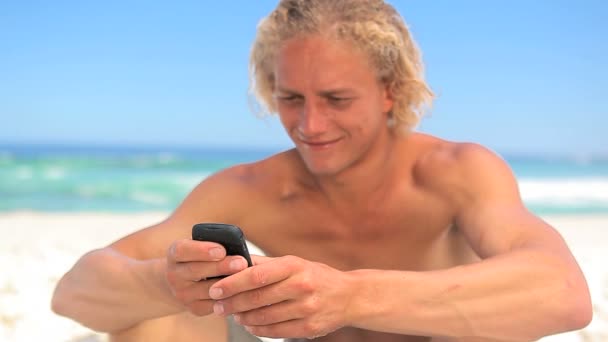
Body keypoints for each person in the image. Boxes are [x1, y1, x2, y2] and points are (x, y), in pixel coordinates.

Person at [51, 1, 592, 341]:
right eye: (290, 98)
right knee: (148, 313)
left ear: (390, 92)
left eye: (336, 98)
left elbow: (564, 294)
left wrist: (348, 296)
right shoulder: (250, 188)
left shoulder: (455, 171)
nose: (310, 124)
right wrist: (167, 285)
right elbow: (73, 294)